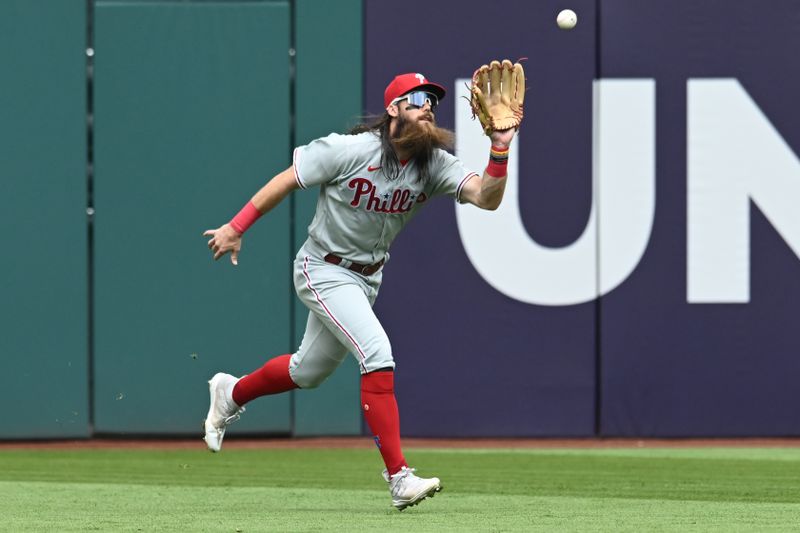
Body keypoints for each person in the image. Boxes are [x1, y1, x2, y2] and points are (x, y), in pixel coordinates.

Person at [202, 71, 516, 511]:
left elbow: (487, 198)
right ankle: (399, 477)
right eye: (418, 98)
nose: (428, 106)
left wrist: (499, 148)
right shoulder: (349, 150)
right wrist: (236, 227)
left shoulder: (435, 163)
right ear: (393, 108)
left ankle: (230, 394)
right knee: (377, 352)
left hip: (366, 277)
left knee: (305, 371)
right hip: (322, 268)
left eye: (433, 101)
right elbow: (287, 179)